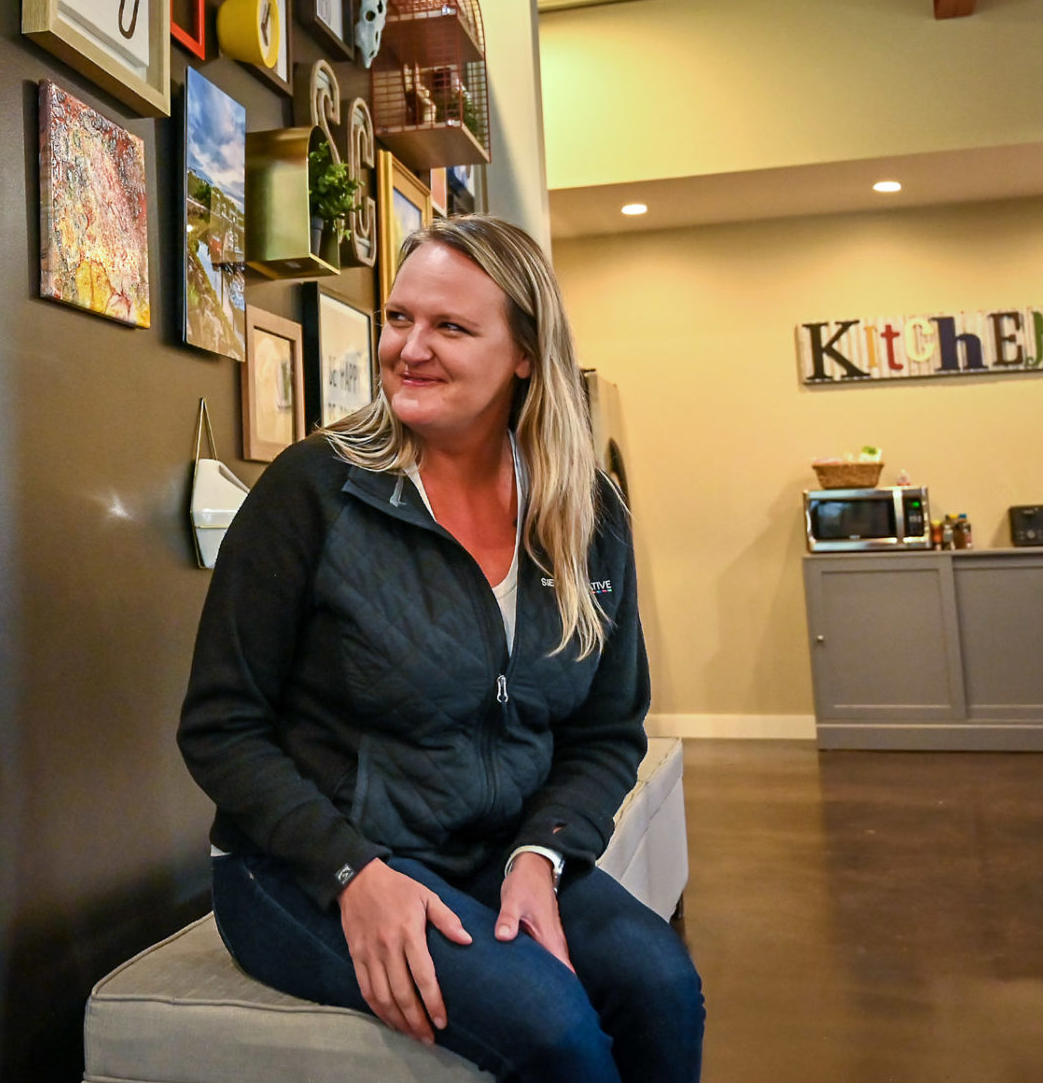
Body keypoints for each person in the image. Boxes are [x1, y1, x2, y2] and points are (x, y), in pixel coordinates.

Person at [177, 215, 704, 1082]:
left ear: (524, 354)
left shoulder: (587, 516)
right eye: (397, 318)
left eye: (451, 327)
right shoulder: (315, 489)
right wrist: (354, 872)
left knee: (662, 986)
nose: (409, 349)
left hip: (499, 849)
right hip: (306, 868)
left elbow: (607, 731)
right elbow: (220, 726)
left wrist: (543, 854)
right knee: (553, 1028)